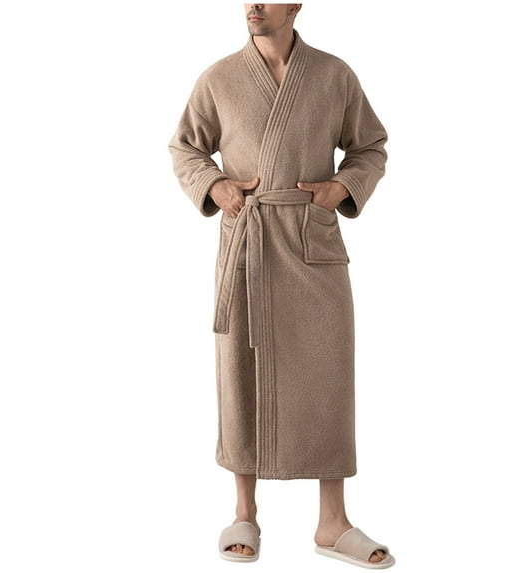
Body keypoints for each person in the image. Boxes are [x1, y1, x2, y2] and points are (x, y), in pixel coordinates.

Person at [168, 3, 394, 568]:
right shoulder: (219, 78)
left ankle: (332, 522)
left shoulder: (334, 75)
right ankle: (244, 511)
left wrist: (340, 188)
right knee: (241, 369)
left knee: (328, 372)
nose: (253, 5)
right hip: (247, 240)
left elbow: (370, 146)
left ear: (296, 3)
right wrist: (214, 184)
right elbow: (185, 147)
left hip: (311, 240)